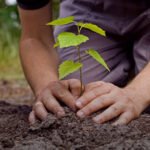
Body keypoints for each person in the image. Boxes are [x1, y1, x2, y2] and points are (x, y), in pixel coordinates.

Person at [17, 0, 150, 125]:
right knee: (79, 97)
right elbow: (35, 37)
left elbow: (138, 95)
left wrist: (136, 94)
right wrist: (46, 87)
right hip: (90, 7)